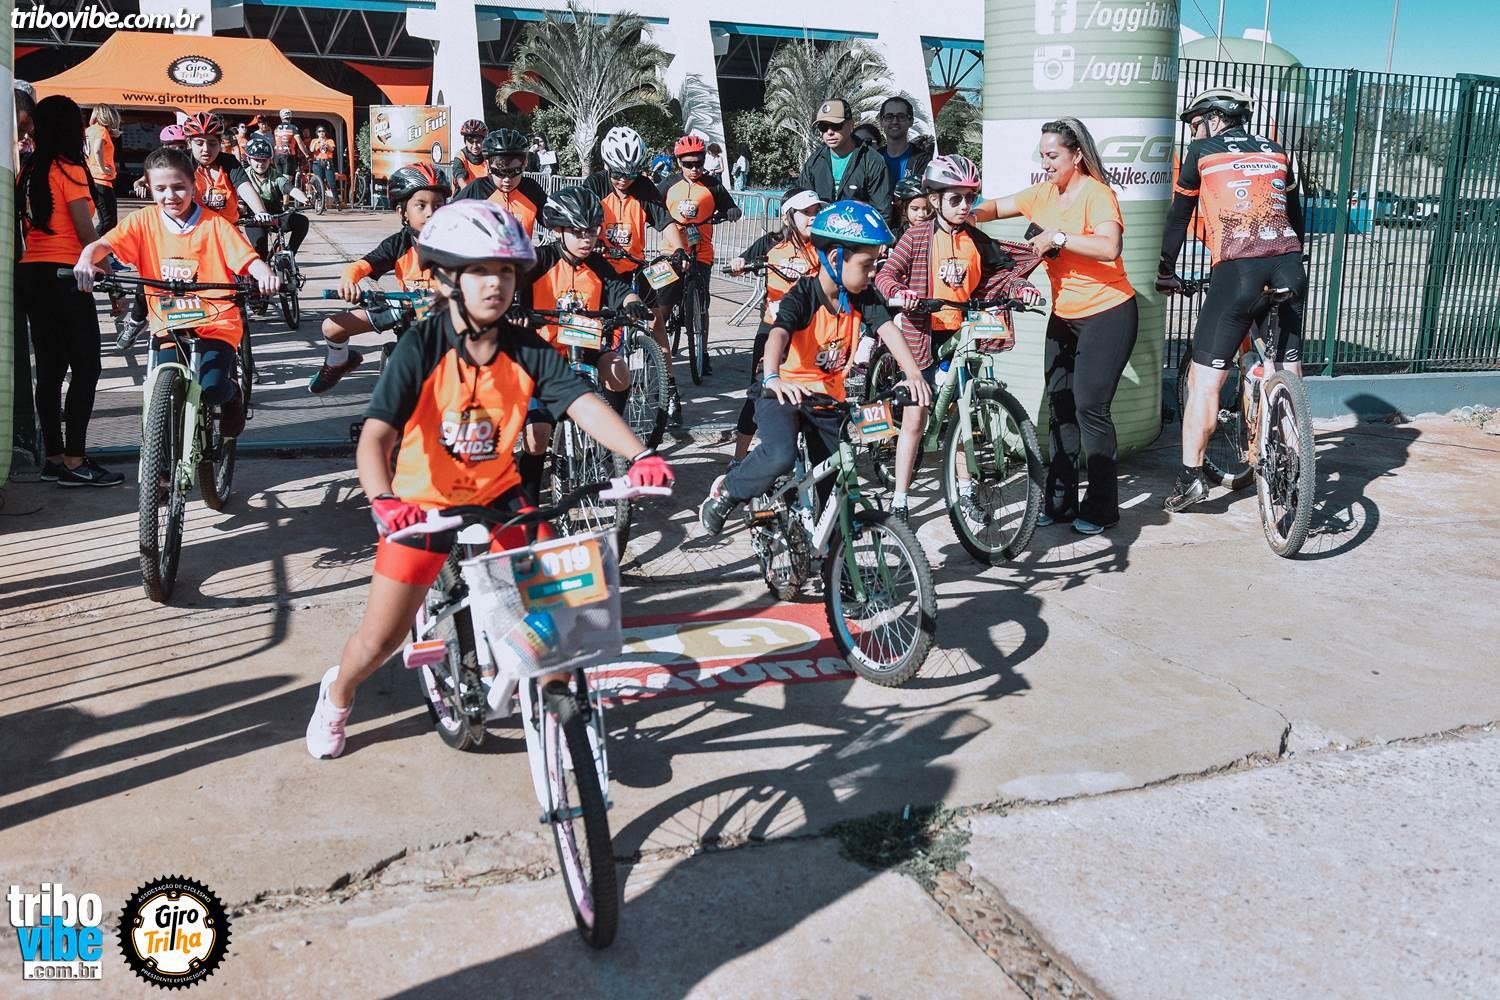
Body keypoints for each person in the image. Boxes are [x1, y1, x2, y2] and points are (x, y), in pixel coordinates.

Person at [303, 200, 673, 759]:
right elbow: (375, 438)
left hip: (500, 497)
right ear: (444, 278)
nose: (497, 283)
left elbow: (581, 402)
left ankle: (558, 705)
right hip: (421, 505)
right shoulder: (421, 347)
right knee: (379, 640)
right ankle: (337, 694)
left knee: (564, 606)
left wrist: (640, 453)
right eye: (479, 271)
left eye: (505, 271)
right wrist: (383, 501)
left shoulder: (525, 349)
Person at [698, 200, 931, 534]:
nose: (873, 273)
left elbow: (888, 328)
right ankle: (728, 491)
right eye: (867, 264)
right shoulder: (803, 295)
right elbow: (777, 334)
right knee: (780, 454)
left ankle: (835, 561)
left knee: (836, 490)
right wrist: (773, 377)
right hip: (783, 391)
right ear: (836, 259)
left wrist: (913, 374)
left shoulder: (862, 296)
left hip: (827, 400)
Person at [973, 118, 1139, 535]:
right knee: (1060, 405)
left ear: (1076, 155)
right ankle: (1061, 502)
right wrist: (962, 214)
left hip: (1109, 312)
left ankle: (1101, 508)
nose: (1045, 163)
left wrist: (1059, 238)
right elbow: (992, 208)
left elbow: (1109, 246)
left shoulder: (1097, 194)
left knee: (1090, 409)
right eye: (1042, 156)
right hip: (1065, 315)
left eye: (1053, 156)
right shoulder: (1042, 194)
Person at [1157, 88, 1306, 513]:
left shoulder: (1202, 153)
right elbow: (1294, 216)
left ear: (1214, 118)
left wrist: (1165, 270)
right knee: (1287, 369)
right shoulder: (1276, 151)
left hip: (1238, 271)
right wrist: (1291, 259)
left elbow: (1179, 217)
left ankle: (1190, 479)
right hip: (1289, 267)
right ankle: (1295, 470)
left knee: (1204, 382)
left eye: (1194, 123)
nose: (1193, 132)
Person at [876, 155, 1044, 523]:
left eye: (970, 198)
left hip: (962, 334)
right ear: (935, 200)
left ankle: (965, 491)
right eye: (955, 199)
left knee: (962, 414)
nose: (964, 206)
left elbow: (1004, 274)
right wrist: (901, 293)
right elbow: (887, 275)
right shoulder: (916, 236)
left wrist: (1022, 288)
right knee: (915, 419)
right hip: (921, 337)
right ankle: (900, 499)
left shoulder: (977, 239)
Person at [75, 146, 278, 446]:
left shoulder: (215, 224)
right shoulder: (143, 221)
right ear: (149, 188)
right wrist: (86, 259)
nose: (170, 196)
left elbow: (247, 259)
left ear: (194, 186)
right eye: (160, 189)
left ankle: (233, 395)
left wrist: (265, 275)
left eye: (179, 187)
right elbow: (104, 244)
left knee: (210, 388)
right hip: (168, 322)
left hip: (215, 322)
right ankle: (162, 457)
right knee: (164, 387)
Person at [513, 186, 652, 501]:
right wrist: (515, 307)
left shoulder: (599, 264)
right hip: (543, 356)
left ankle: (609, 438)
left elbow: (620, 290)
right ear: (558, 230)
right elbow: (511, 284)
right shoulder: (540, 260)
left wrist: (632, 303)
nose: (586, 239)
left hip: (586, 349)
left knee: (618, 369)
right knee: (536, 437)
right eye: (577, 232)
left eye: (591, 231)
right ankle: (529, 506)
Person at [16, 96, 120, 486]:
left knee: (50, 370)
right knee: (87, 367)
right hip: (66, 274)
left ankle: (55, 459)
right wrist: (110, 274)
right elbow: (85, 231)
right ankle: (76, 461)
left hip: (31, 274)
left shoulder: (28, 170)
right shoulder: (70, 168)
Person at [313, 162, 450, 394]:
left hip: (450, 317)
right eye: (421, 205)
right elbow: (361, 265)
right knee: (331, 327)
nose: (430, 213)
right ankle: (338, 361)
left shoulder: (459, 241)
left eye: (438, 206)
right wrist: (349, 281)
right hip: (405, 309)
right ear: (402, 212)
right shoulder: (398, 244)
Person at [724, 187, 824, 464]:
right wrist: (738, 263)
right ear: (788, 216)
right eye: (806, 212)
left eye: (817, 212)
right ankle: (738, 458)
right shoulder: (771, 243)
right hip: (773, 329)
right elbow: (742, 261)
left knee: (816, 391)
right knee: (757, 393)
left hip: (811, 331)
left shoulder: (824, 246)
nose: (813, 217)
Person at [586, 126, 674, 392]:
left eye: (631, 174)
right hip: (600, 266)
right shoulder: (594, 184)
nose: (624, 180)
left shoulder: (644, 187)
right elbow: (582, 219)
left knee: (657, 322)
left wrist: (679, 251)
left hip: (635, 266)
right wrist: (595, 243)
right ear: (607, 165)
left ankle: (669, 387)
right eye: (617, 173)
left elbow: (666, 222)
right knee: (592, 323)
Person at [657, 133, 742, 399]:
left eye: (699, 163)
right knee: (661, 303)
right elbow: (651, 208)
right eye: (688, 164)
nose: (695, 169)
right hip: (671, 250)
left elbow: (732, 207)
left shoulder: (713, 184)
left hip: (701, 252)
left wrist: (732, 212)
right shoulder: (668, 184)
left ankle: (702, 352)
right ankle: (657, 350)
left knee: (701, 305)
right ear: (678, 162)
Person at [796, 98, 892, 217]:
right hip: (821, 227)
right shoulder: (814, 162)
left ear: (851, 125)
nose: (829, 132)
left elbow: (882, 212)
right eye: (823, 127)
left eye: (836, 125)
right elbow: (802, 204)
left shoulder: (872, 161)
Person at [450, 128, 549, 237]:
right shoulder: (478, 188)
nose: (507, 179)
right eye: (499, 172)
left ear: (525, 163)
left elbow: (552, 221)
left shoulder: (532, 189)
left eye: (515, 171)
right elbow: (445, 218)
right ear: (488, 165)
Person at [181, 112, 273, 225]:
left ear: (220, 143)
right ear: (189, 143)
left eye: (212, 144)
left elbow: (244, 187)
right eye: (199, 143)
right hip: (194, 227)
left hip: (227, 227)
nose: (206, 149)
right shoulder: (181, 162)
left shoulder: (229, 162)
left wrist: (260, 212)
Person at [234, 133, 311, 265]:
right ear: (249, 159)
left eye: (264, 160)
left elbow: (289, 188)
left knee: (302, 221)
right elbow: (239, 198)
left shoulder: (275, 175)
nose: (260, 164)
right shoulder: (243, 176)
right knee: (261, 255)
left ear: (270, 160)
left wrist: (305, 199)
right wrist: (240, 210)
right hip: (254, 219)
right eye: (257, 160)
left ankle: (290, 255)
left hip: (275, 216)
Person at [876, 96, 934, 189]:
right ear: (881, 121)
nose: (895, 121)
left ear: (911, 121)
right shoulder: (873, 159)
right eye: (889, 117)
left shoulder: (922, 159)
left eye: (901, 117)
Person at [84, 104, 121, 235]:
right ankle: (93, 244)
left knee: (105, 219)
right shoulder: (101, 130)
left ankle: (97, 244)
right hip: (101, 180)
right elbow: (97, 149)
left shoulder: (88, 131)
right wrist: (103, 168)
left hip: (91, 178)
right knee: (108, 221)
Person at [888, 175, 934, 239]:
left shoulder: (937, 235)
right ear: (903, 209)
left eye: (926, 208)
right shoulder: (894, 237)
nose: (921, 214)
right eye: (915, 209)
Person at [449, 118, 490, 189]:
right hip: (464, 193)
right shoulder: (460, 157)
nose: (475, 146)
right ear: (465, 142)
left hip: (482, 193)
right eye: (471, 142)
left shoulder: (487, 157)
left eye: (478, 141)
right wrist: (467, 190)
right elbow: (460, 177)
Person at [272, 109, 309, 180]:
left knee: (279, 179)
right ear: (291, 117)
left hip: (277, 155)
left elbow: (275, 142)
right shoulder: (293, 127)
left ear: (281, 117)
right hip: (288, 155)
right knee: (287, 180)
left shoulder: (276, 128)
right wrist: (306, 154)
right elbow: (299, 142)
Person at [309, 125, 337, 203]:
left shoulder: (329, 140)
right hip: (318, 162)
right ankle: (321, 200)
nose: (321, 133)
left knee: (331, 182)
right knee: (319, 182)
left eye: (323, 131)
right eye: (319, 131)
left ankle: (336, 200)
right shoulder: (314, 140)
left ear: (325, 132)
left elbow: (332, 149)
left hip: (327, 161)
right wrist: (317, 142)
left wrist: (326, 144)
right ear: (317, 133)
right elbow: (311, 150)